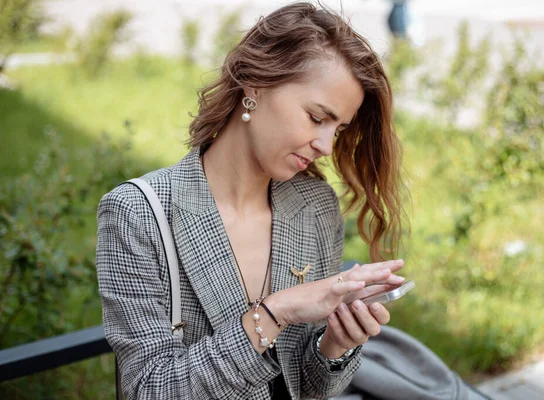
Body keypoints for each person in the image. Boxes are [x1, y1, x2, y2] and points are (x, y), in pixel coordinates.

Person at [95, 2, 406, 399]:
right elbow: (149, 390)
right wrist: (275, 312)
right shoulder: (137, 214)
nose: (326, 146)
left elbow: (311, 390)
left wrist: (335, 345)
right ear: (255, 82)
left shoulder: (315, 207)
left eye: (339, 130)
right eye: (316, 117)